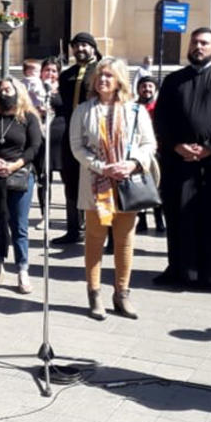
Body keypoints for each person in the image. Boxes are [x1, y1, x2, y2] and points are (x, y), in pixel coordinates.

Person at [153, 27, 211, 291]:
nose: (198, 47)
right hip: (179, 162)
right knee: (179, 216)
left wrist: (210, 148)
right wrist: (177, 146)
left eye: (204, 43)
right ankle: (179, 271)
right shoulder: (173, 81)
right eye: (194, 42)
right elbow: (161, 119)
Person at [70, 57, 157, 319]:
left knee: (124, 242)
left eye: (108, 76)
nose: (103, 80)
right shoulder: (84, 110)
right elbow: (77, 146)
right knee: (95, 242)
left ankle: (122, 294)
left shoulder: (135, 111)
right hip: (97, 185)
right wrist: (100, 166)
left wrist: (131, 164)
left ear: (119, 80)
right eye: (99, 76)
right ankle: (94, 294)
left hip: (127, 186)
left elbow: (149, 144)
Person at [0, 78, 42, 294]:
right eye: (1, 90)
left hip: (20, 175)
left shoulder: (29, 118)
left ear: (18, 91)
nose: (4, 94)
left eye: (8, 89)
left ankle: (23, 271)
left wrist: (14, 165)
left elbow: (34, 147)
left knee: (19, 226)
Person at [53, 32, 101, 245]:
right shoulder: (67, 74)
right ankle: (74, 228)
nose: (80, 49)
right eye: (76, 46)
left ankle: (104, 233)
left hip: (95, 133)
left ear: (92, 47)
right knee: (70, 181)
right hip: (70, 133)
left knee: (99, 181)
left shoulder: (102, 71)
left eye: (84, 45)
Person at [36, 57, 65, 231]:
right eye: (47, 70)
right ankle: (44, 215)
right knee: (44, 179)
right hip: (41, 138)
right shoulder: (34, 88)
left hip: (60, 139)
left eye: (54, 71)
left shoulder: (63, 90)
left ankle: (76, 218)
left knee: (68, 179)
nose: (50, 74)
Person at [134, 76, 165, 234]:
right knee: (139, 186)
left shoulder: (160, 107)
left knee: (157, 186)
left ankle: (159, 219)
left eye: (150, 86)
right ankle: (142, 220)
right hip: (138, 153)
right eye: (143, 86)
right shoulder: (133, 107)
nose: (147, 89)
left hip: (158, 152)